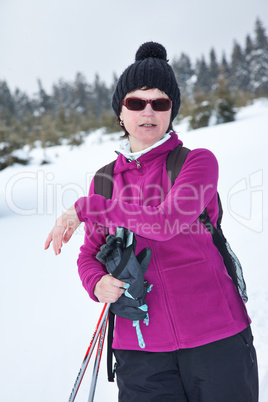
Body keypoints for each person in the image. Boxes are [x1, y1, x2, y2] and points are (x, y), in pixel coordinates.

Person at [45, 42, 259, 401]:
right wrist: (96, 283)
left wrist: (87, 207)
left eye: (160, 103)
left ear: (171, 111)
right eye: (136, 102)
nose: (148, 111)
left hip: (217, 340)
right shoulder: (105, 181)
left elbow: (166, 222)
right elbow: (89, 256)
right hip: (141, 353)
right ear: (120, 112)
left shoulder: (196, 163)